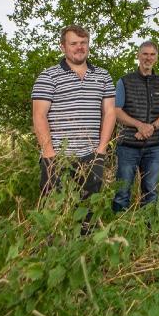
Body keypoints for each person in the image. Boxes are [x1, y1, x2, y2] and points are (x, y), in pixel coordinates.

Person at [31, 25, 116, 234]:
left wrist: (101, 151)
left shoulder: (103, 76)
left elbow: (110, 113)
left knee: (88, 212)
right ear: (63, 47)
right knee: (54, 212)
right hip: (58, 156)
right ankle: (53, 254)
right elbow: (39, 116)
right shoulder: (48, 76)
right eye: (74, 43)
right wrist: (49, 154)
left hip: (91, 156)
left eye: (83, 43)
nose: (79, 47)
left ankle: (84, 256)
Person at [112, 41, 159, 213]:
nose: (148, 58)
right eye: (145, 54)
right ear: (138, 56)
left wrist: (150, 128)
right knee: (122, 191)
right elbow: (116, 111)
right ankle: (118, 229)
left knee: (151, 191)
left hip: (154, 147)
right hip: (128, 146)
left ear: (157, 58)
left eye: (152, 54)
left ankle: (148, 231)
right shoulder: (124, 82)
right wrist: (139, 125)